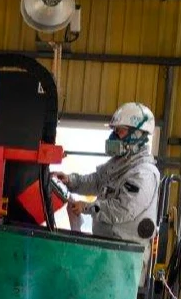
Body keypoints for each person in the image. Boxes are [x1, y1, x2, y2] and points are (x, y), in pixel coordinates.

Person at [53, 101, 161, 285]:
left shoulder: (143, 173)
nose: (113, 136)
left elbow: (122, 209)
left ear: (137, 135)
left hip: (125, 261)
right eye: (114, 131)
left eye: (120, 131)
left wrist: (86, 207)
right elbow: (97, 181)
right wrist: (70, 181)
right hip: (109, 252)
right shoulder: (119, 164)